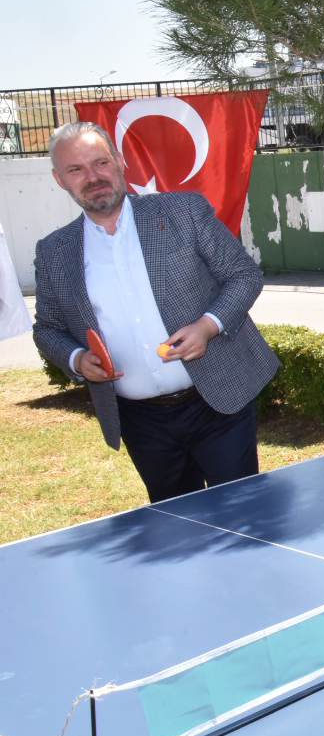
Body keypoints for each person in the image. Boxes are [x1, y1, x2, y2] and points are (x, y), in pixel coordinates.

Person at [32, 121, 278, 503]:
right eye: (76, 169)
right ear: (59, 179)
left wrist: (207, 326)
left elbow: (243, 274)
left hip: (217, 402)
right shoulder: (53, 252)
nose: (93, 177)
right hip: (140, 422)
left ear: (119, 161)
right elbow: (47, 328)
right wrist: (77, 358)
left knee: (242, 514)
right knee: (177, 525)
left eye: (100, 163)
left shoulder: (183, 211)